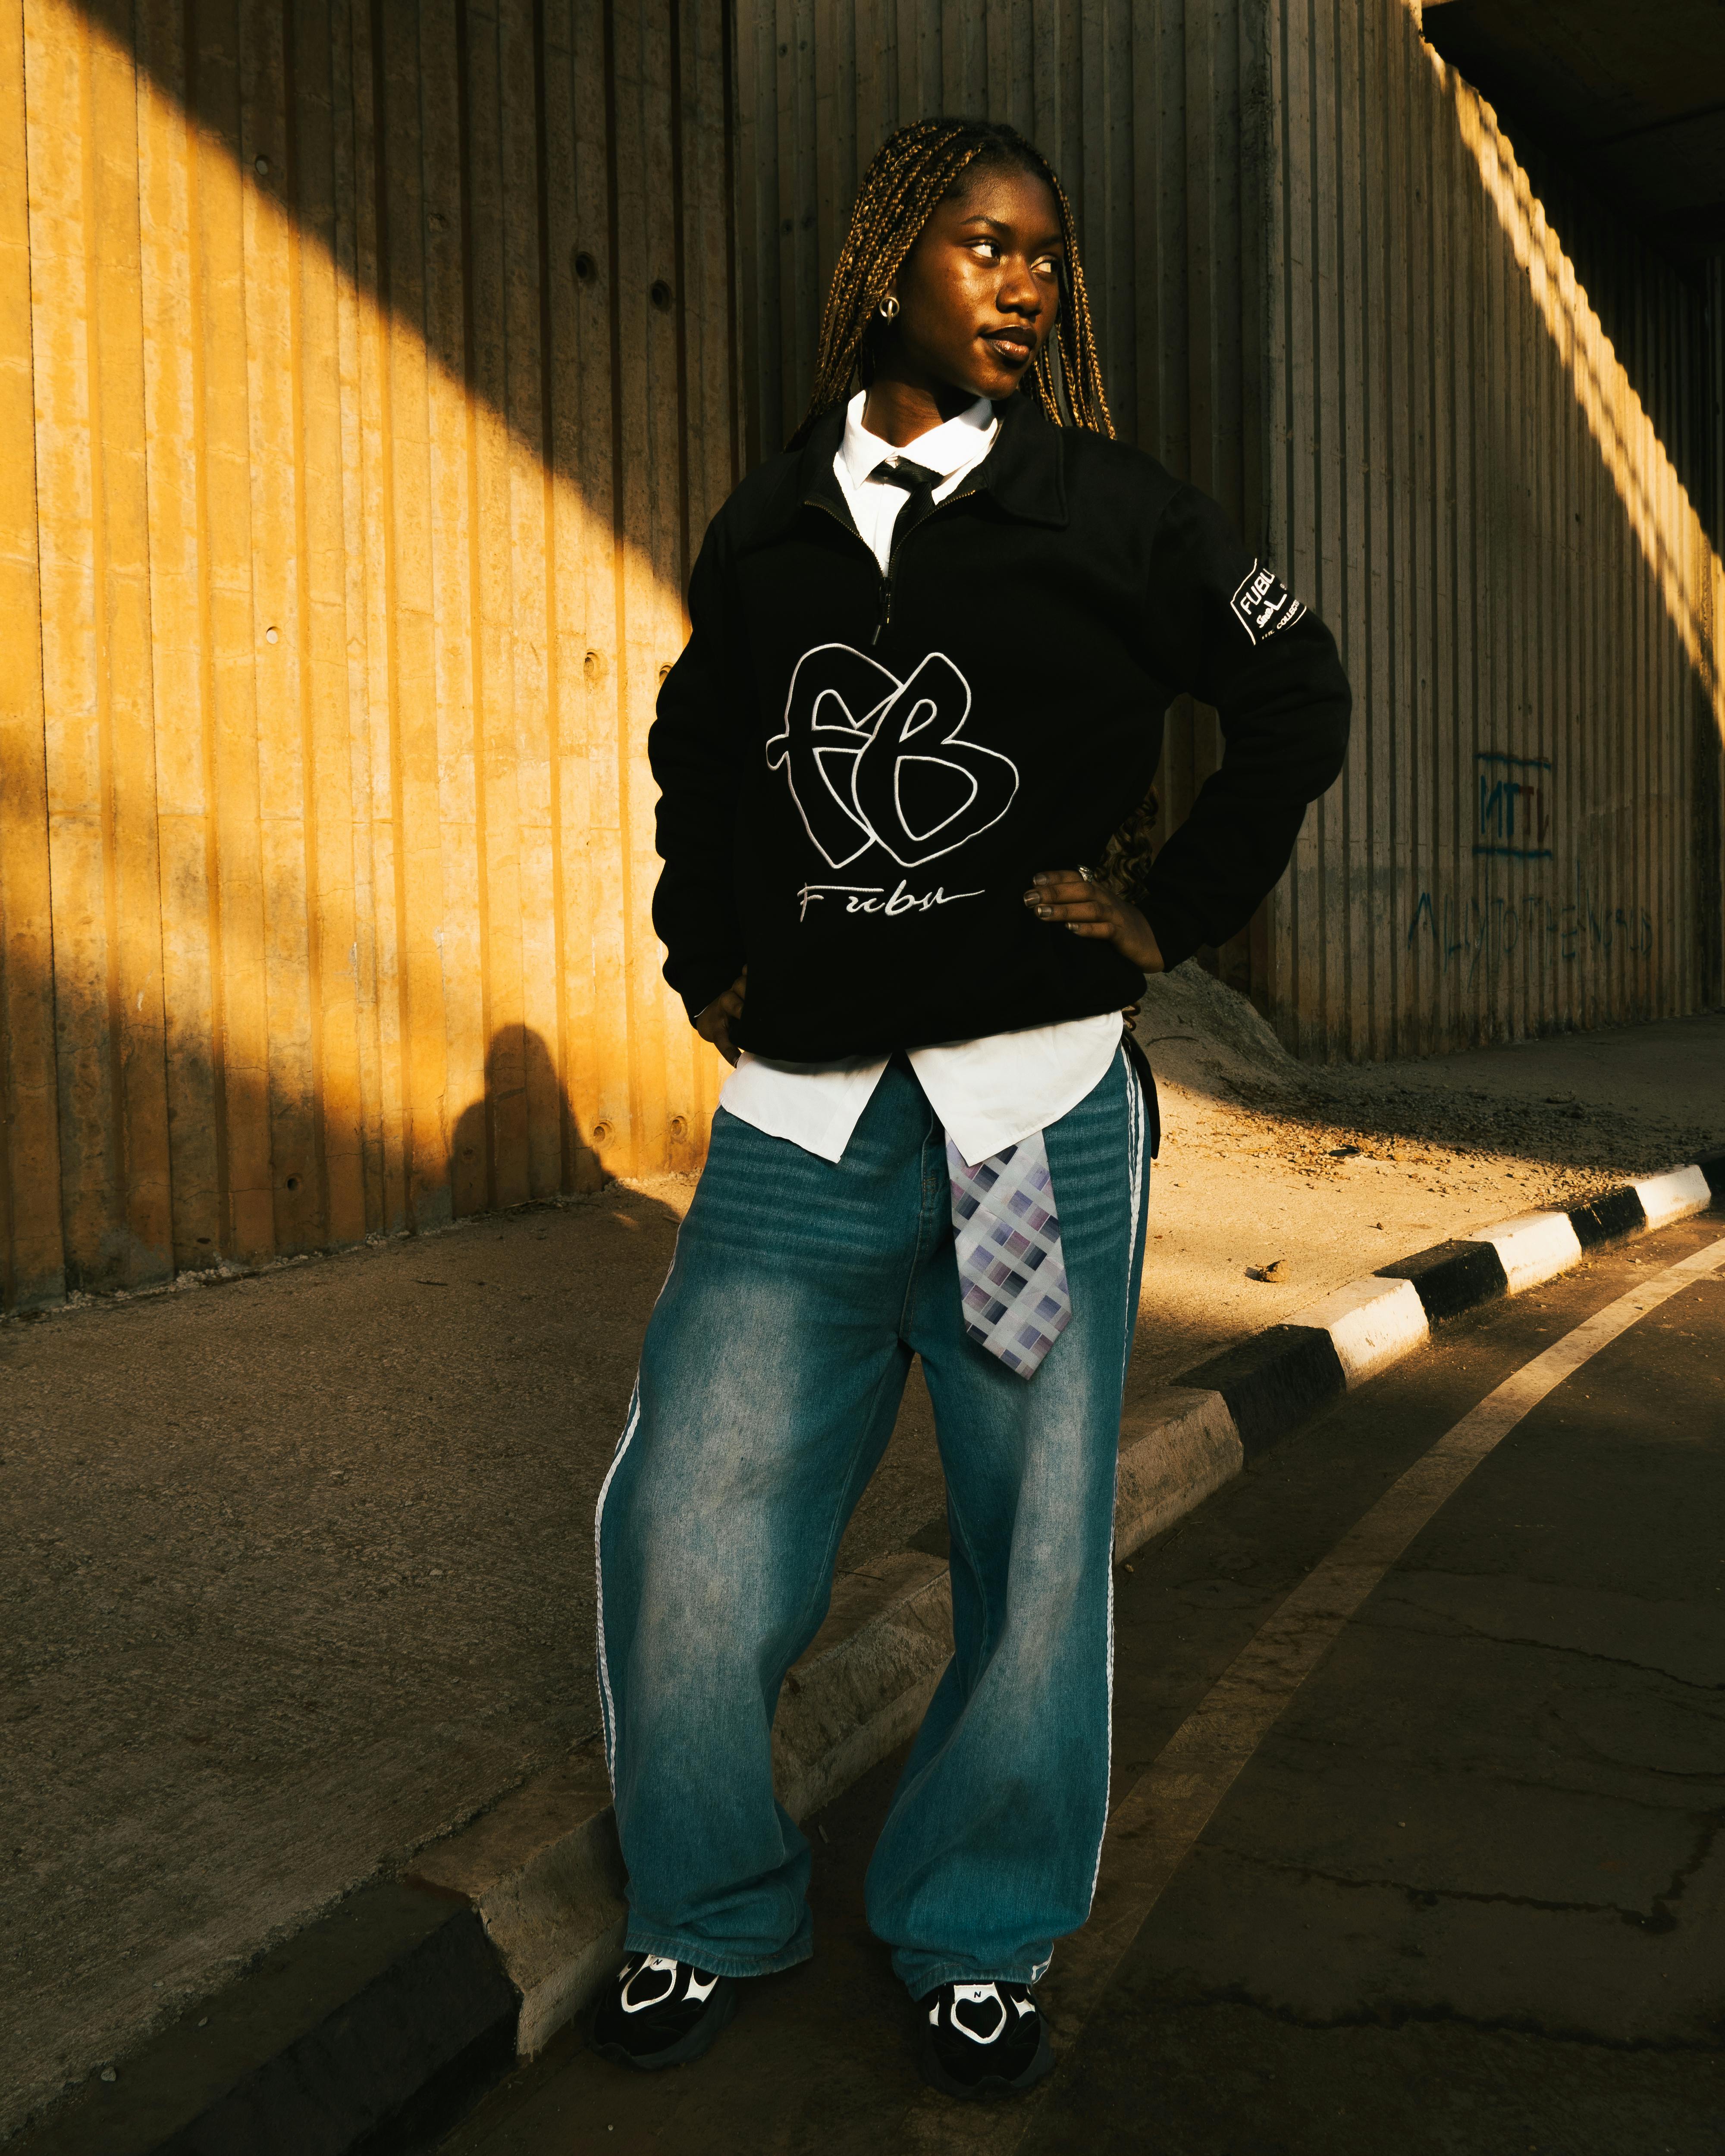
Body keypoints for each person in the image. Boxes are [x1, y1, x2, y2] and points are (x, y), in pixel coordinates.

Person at [590, 116, 1350, 2100]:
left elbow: (1296, 691)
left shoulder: (1116, 514)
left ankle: (979, 1928)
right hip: (803, 1138)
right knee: (683, 1525)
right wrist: (701, 949)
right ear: (885, 264)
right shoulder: (770, 523)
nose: (1025, 283)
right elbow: (696, 746)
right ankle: (704, 1904)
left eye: (1044, 254)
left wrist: (1171, 907)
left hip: (1021, 1132)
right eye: (984, 244)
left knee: (1031, 1543)